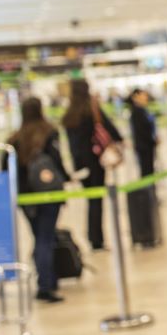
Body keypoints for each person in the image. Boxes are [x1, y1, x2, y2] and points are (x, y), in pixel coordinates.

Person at [8, 97, 70, 303]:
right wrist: (66, 178)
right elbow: (57, 161)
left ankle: (47, 278)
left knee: (39, 237)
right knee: (45, 238)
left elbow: (7, 170)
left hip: (26, 198)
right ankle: (46, 284)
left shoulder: (14, 139)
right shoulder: (48, 132)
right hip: (48, 195)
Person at [62, 79, 123, 251]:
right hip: (96, 160)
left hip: (80, 165)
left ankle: (93, 237)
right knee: (97, 200)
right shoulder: (91, 109)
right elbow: (109, 128)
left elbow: (72, 144)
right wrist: (119, 141)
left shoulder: (69, 114)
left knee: (91, 200)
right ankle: (97, 239)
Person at [127, 89, 157, 177]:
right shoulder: (136, 112)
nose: (146, 98)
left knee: (149, 170)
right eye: (143, 96)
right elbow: (143, 130)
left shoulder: (143, 111)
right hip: (143, 146)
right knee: (146, 170)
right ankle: (148, 190)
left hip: (147, 145)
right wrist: (152, 140)